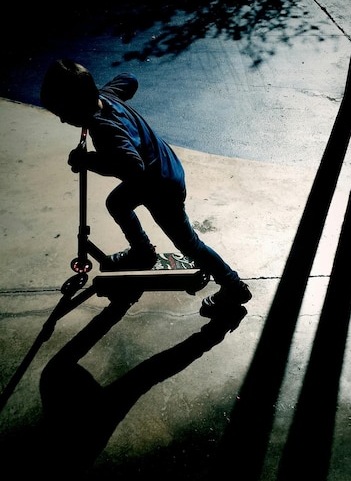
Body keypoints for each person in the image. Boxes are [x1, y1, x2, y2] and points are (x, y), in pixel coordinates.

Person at [40, 59, 252, 313]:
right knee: (117, 203)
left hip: (161, 188)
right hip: (160, 169)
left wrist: (88, 160)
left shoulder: (104, 128)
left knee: (189, 245)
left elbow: (131, 165)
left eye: (63, 114)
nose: (63, 121)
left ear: (76, 106)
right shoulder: (106, 96)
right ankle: (142, 251)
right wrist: (106, 89)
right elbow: (130, 79)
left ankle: (233, 286)